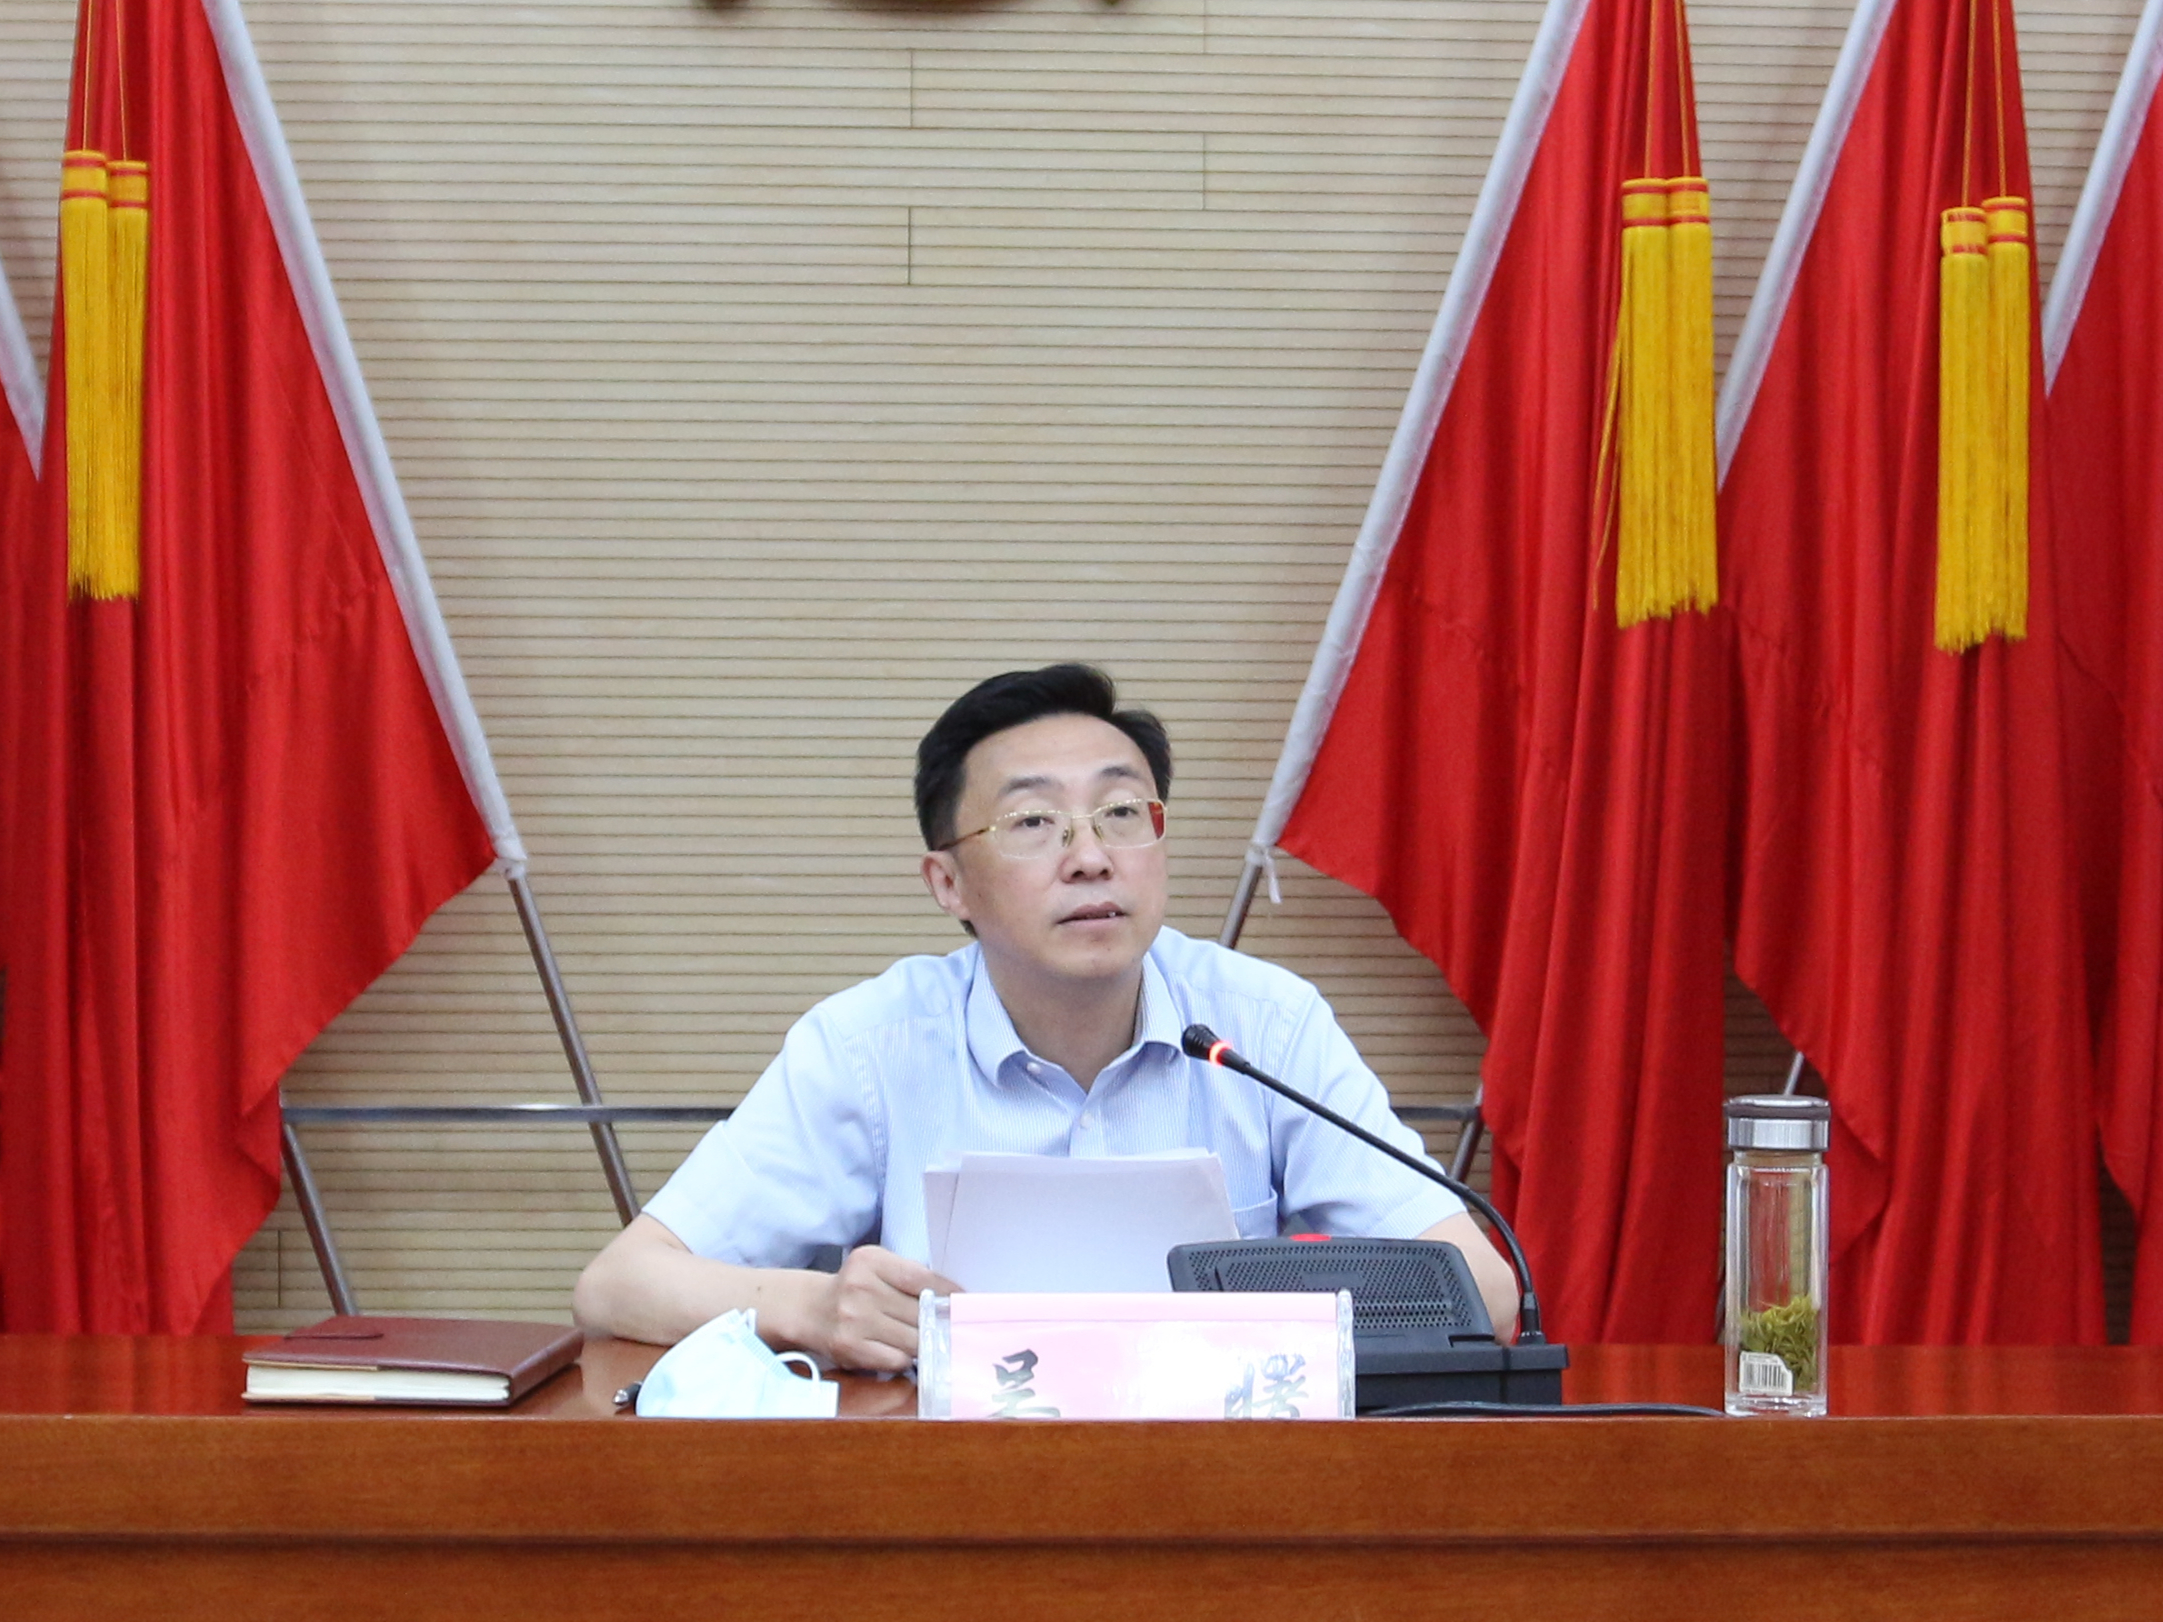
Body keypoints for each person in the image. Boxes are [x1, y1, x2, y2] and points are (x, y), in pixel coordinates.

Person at [573, 664, 1520, 1367]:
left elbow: (1483, 1289)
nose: (1090, 855)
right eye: (1032, 823)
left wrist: (1255, 1306)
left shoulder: (1261, 1024)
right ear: (947, 883)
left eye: (1121, 813)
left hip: (1220, 1485)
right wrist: (812, 1310)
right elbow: (619, 1285)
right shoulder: (871, 1046)